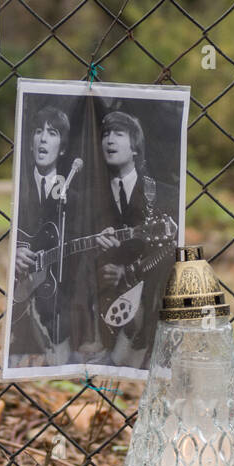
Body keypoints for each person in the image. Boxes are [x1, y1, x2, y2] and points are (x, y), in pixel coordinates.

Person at [92, 110, 178, 369]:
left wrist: (126, 271)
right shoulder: (89, 196)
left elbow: (169, 249)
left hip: (145, 294)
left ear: (135, 148)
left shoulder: (162, 194)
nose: (110, 140)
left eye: (119, 134)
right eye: (106, 134)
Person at [9, 105, 78, 366]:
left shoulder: (73, 199)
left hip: (56, 299)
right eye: (38, 131)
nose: (43, 138)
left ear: (62, 147)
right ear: (30, 143)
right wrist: (14, 251)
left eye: (52, 132)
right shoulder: (17, 189)